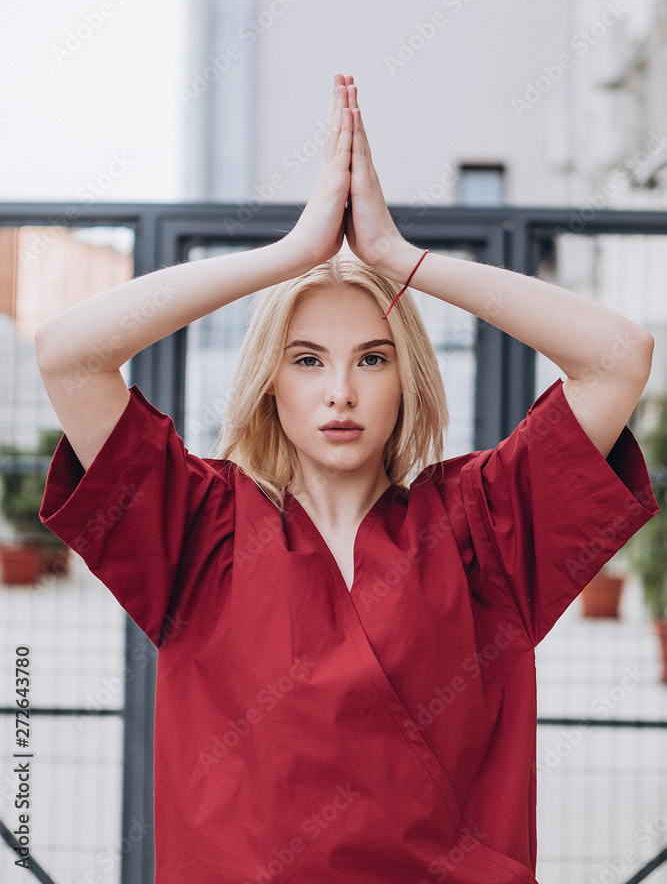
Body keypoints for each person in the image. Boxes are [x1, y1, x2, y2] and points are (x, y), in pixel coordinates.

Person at [37, 74, 658, 884]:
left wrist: (398, 258)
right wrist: (289, 256)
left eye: (372, 358)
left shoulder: (481, 526)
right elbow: (68, 354)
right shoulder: (198, 526)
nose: (340, 390)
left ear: (408, 381)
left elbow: (618, 359)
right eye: (307, 361)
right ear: (269, 383)